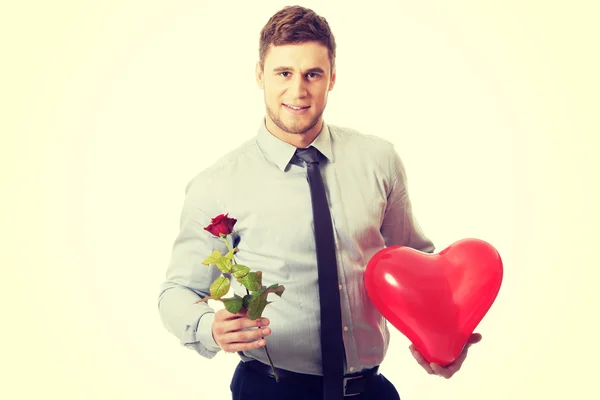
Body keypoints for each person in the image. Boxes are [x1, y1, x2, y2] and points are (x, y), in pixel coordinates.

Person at [158, 5, 481, 399]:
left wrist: (441, 336)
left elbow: (417, 262)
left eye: (313, 74)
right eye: (284, 73)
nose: (298, 91)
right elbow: (177, 291)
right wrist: (210, 328)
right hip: (271, 390)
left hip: (369, 390)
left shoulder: (378, 161)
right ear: (260, 74)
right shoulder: (218, 184)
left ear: (332, 79)